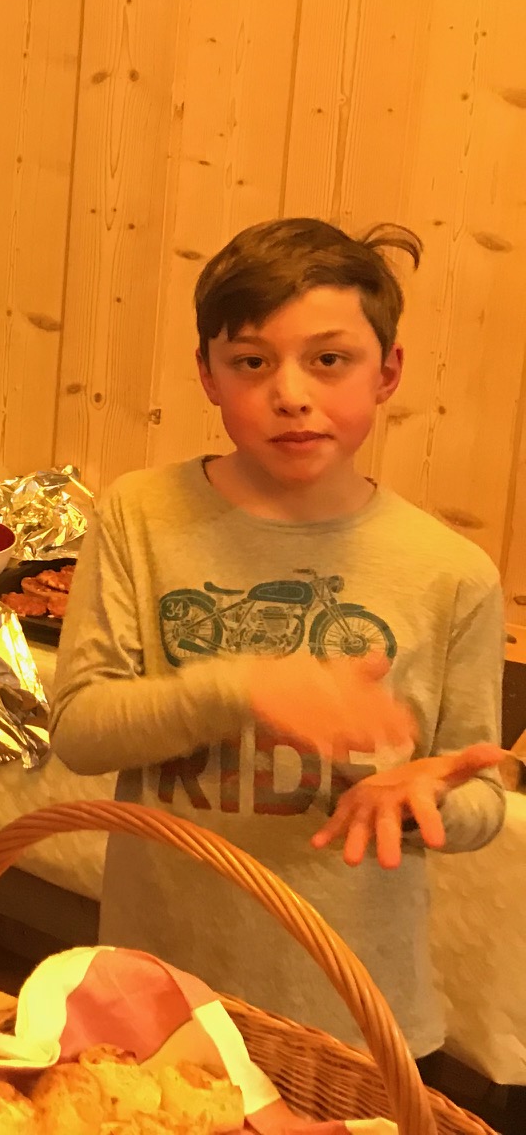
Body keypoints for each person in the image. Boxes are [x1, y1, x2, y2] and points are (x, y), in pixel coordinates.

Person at [49, 219, 508, 1058]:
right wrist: (246, 690)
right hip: (159, 989)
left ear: (387, 372)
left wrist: (425, 801)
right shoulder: (140, 515)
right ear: (208, 373)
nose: (291, 393)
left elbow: (478, 792)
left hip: (351, 1009)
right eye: (252, 362)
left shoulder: (453, 574)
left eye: (329, 359)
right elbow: (79, 730)